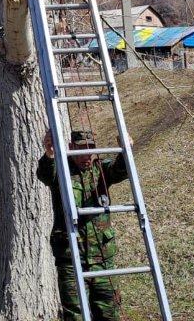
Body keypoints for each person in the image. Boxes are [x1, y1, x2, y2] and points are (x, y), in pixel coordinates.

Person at [37, 129, 127, 321]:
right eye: (81, 149)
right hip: (71, 257)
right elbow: (45, 174)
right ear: (70, 148)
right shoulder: (60, 171)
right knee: (76, 314)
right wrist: (50, 152)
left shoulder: (100, 170)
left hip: (102, 258)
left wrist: (125, 149)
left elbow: (121, 169)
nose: (86, 154)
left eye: (90, 149)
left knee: (109, 311)